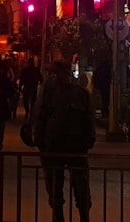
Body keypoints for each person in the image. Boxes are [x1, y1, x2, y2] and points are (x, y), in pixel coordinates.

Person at [33, 60, 96, 222]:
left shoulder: (77, 94)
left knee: (74, 185)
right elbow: (40, 117)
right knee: (59, 185)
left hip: (68, 146)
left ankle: (77, 215)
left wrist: (39, 140)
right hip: (61, 146)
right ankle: (63, 215)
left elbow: (88, 120)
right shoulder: (52, 93)